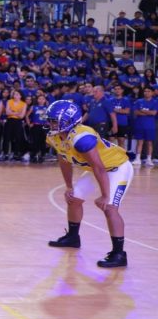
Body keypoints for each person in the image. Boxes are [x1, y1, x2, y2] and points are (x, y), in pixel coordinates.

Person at [45, 100, 134, 268]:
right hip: (97, 169)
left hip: (116, 167)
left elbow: (99, 167)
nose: (51, 124)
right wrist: (69, 186)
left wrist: (105, 195)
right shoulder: (54, 136)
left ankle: (119, 254)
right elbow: (64, 160)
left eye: (54, 121)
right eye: (50, 120)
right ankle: (73, 237)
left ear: (69, 120)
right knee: (74, 198)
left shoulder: (82, 137)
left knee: (109, 208)